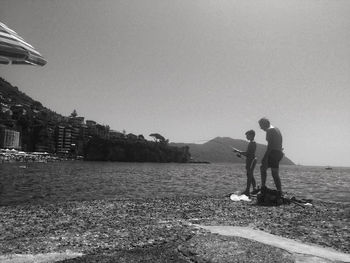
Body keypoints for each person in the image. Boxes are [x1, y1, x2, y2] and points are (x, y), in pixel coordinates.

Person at [258, 117, 284, 194]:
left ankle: (263, 187)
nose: (261, 128)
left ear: (264, 124)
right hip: (279, 152)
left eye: (261, 125)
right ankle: (279, 191)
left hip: (273, 152)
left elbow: (270, 146)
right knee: (274, 173)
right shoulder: (276, 129)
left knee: (263, 168)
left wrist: (265, 157)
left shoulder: (269, 130)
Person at [233, 130, 258, 196]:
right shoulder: (252, 143)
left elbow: (248, 154)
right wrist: (240, 154)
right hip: (250, 160)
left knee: (249, 175)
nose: (246, 137)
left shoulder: (252, 143)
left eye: (247, 135)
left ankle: (247, 190)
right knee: (250, 175)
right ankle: (254, 189)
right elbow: (248, 154)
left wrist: (238, 151)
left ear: (252, 135)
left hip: (251, 161)